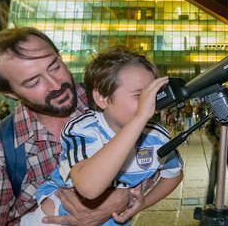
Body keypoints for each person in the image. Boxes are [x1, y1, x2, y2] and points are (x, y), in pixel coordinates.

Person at [0, 27, 129, 225]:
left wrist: (124, 197)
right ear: (12, 94)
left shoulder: (108, 102)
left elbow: (159, 160)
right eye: (33, 82)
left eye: (54, 66)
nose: (56, 85)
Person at [25, 46, 183, 225]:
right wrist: (139, 119)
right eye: (140, 96)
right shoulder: (84, 129)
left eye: (152, 95)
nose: (150, 104)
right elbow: (89, 187)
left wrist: (143, 202)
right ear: (102, 98)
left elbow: (174, 174)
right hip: (55, 216)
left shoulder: (157, 138)